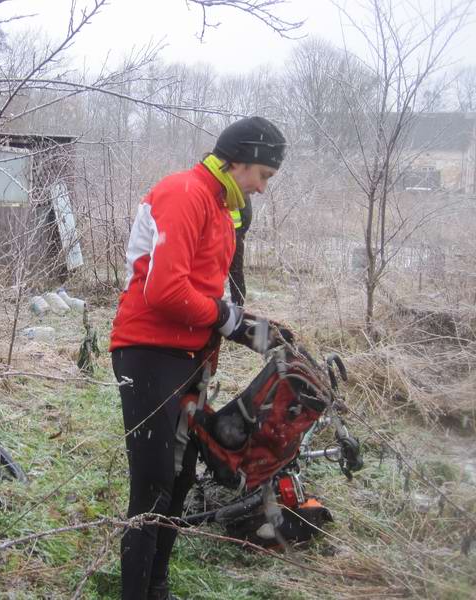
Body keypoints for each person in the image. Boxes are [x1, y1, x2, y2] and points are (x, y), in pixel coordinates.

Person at [109, 116, 287, 600]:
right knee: (151, 485)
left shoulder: (221, 207)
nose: (263, 188)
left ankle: (157, 587)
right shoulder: (185, 193)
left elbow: (209, 295)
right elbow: (165, 290)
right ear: (239, 158)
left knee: (181, 478)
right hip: (148, 352)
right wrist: (228, 320)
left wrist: (251, 328)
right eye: (263, 175)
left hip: (190, 355)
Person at [228, 194, 253, 306]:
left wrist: (238, 234)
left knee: (235, 272)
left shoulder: (240, 190)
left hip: (234, 237)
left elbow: (247, 216)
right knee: (235, 272)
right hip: (226, 236)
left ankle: (238, 305)